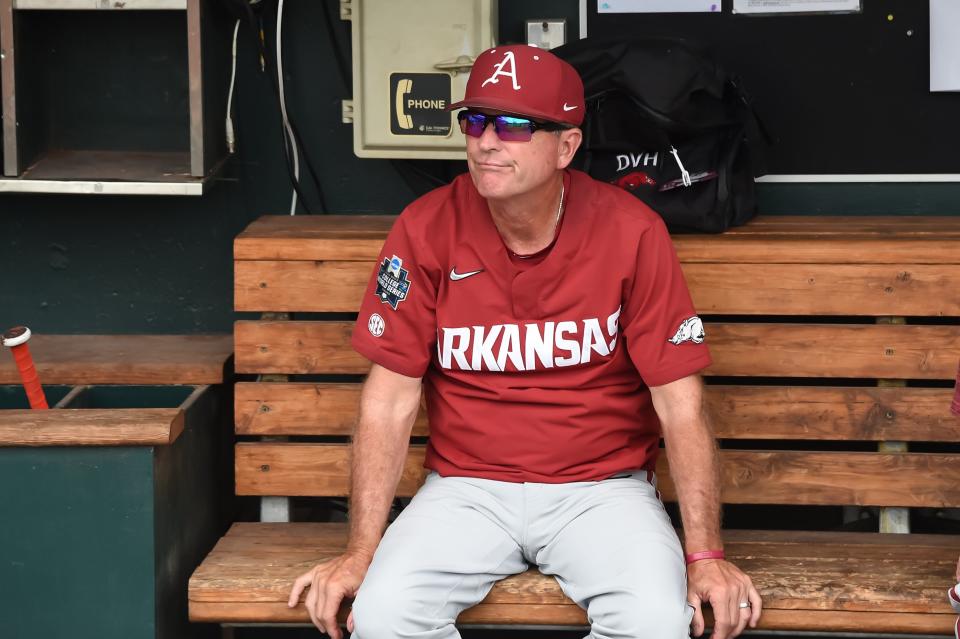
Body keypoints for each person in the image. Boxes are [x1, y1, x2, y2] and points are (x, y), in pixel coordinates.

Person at [288, 44, 761, 639]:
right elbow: (388, 400)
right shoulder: (426, 227)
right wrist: (360, 552)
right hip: (466, 490)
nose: (488, 141)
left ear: (566, 145)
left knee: (653, 620)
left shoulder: (631, 230)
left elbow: (679, 402)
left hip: (601, 491)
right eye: (476, 120)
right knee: (383, 615)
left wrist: (705, 556)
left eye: (514, 124)